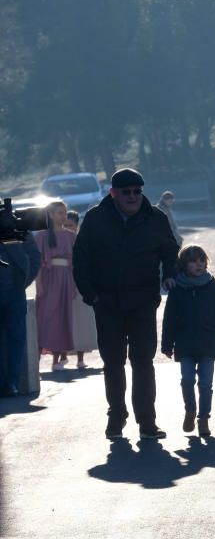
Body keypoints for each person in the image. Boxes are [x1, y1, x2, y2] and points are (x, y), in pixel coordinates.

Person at [73, 168, 179, 440]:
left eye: (137, 191)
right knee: (113, 363)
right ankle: (116, 417)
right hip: (106, 302)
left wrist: (169, 275)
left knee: (143, 362)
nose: (132, 197)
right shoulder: (96, 219)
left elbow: (170, 251)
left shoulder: (156, 218)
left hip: (143, 301)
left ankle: (147, 422)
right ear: (113, 193)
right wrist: (90, 294)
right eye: (126, 192)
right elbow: (81, 258)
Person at [161, 244, 215, 438]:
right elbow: (169, 318)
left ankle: (203, 419)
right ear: (184, 265)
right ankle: (190, 410)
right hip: (185, 343)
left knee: (205, 384)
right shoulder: (177, 289)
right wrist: (167, 344)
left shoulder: (212, 286)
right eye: (193, 261)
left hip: (208, 343)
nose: (199, 265)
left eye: (202, 260)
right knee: (187, 380)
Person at [34, 201, 79, 371]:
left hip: (66, 279)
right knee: (44, 319)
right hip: (49, 279)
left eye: (65, 212)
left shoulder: (71, 236)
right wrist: (39, 284)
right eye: (60, 213)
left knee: (63, 318)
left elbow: (76, 262)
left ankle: (57, 359)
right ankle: (35, 359)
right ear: (51, 215)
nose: (63, 216)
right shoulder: (42, 235)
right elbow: (37, 262)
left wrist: (74, 284)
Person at [0, 227, 40, 397]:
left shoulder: (14, 224)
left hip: (14, 293)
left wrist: (22, 282)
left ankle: (12, 383)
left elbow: (34, 256)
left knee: (16, 338)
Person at [65, 210, 97, 368]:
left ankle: (80, 358)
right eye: (65, 225)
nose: (68, 228)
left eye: (71, 225)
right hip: (63, 281)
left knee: (81, 320)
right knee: (65, 318)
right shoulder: (58, 238)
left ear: (77, 226)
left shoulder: (84, 240)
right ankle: (63, 355)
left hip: (80, 283)